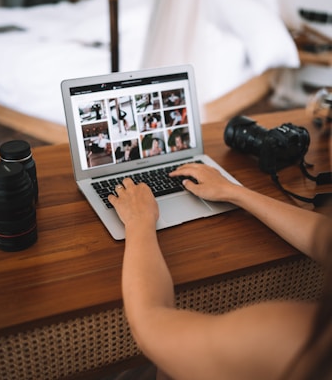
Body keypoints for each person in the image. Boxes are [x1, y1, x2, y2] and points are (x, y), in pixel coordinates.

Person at [108, 162, 332, 380]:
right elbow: (325, 237)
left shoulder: (290, 337)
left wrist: (139, 220)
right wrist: (234, 192)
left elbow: (149, 325)